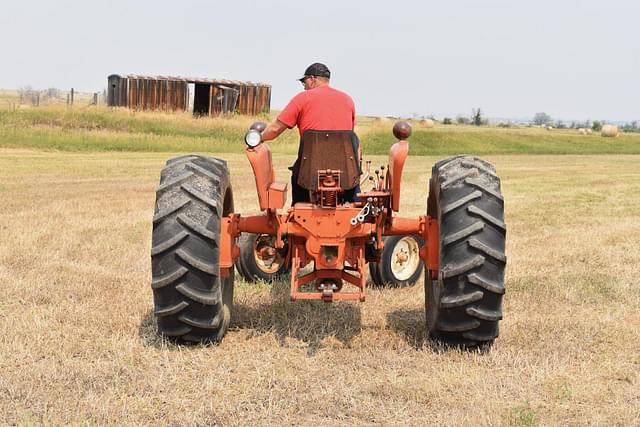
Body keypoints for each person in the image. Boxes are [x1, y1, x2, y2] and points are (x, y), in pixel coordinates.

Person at [261, 63, 358, 204]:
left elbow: (276, 129)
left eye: (304, 81)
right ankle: (354, 203)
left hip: (310, 172)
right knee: (353, 179)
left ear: (312, 79)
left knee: (298, 174)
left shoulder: (303, 98)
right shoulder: (348, 100)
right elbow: (351, 136)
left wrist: (258, 137)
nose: (304, 86)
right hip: (345, 172)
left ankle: (299, 207)